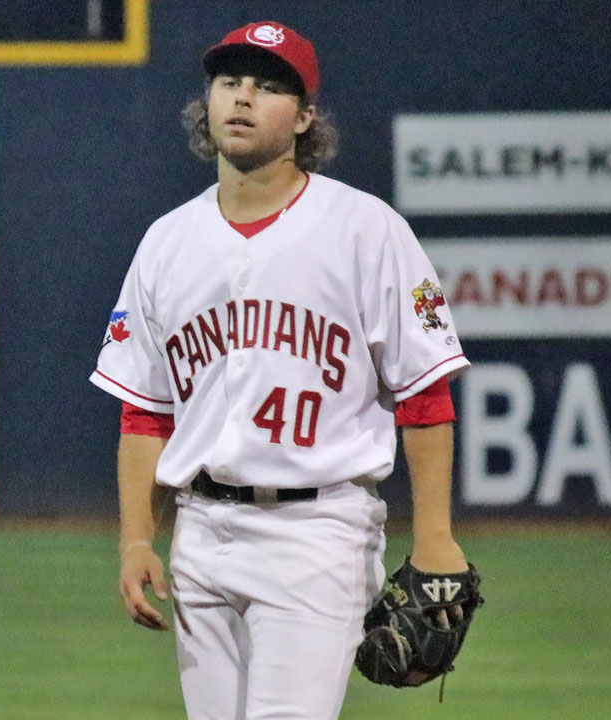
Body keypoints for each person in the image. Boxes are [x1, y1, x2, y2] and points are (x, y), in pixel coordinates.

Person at [90, 20, 474, 720]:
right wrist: (138, 538)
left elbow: (423, 393)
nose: (242, 97)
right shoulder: (166, 242)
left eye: (268, 87)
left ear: (302, 119)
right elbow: (146, 410)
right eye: (229, 82)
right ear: (206, 102)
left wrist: (436, 535)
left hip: (317, 531)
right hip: (200, 532)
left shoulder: (365, 229)